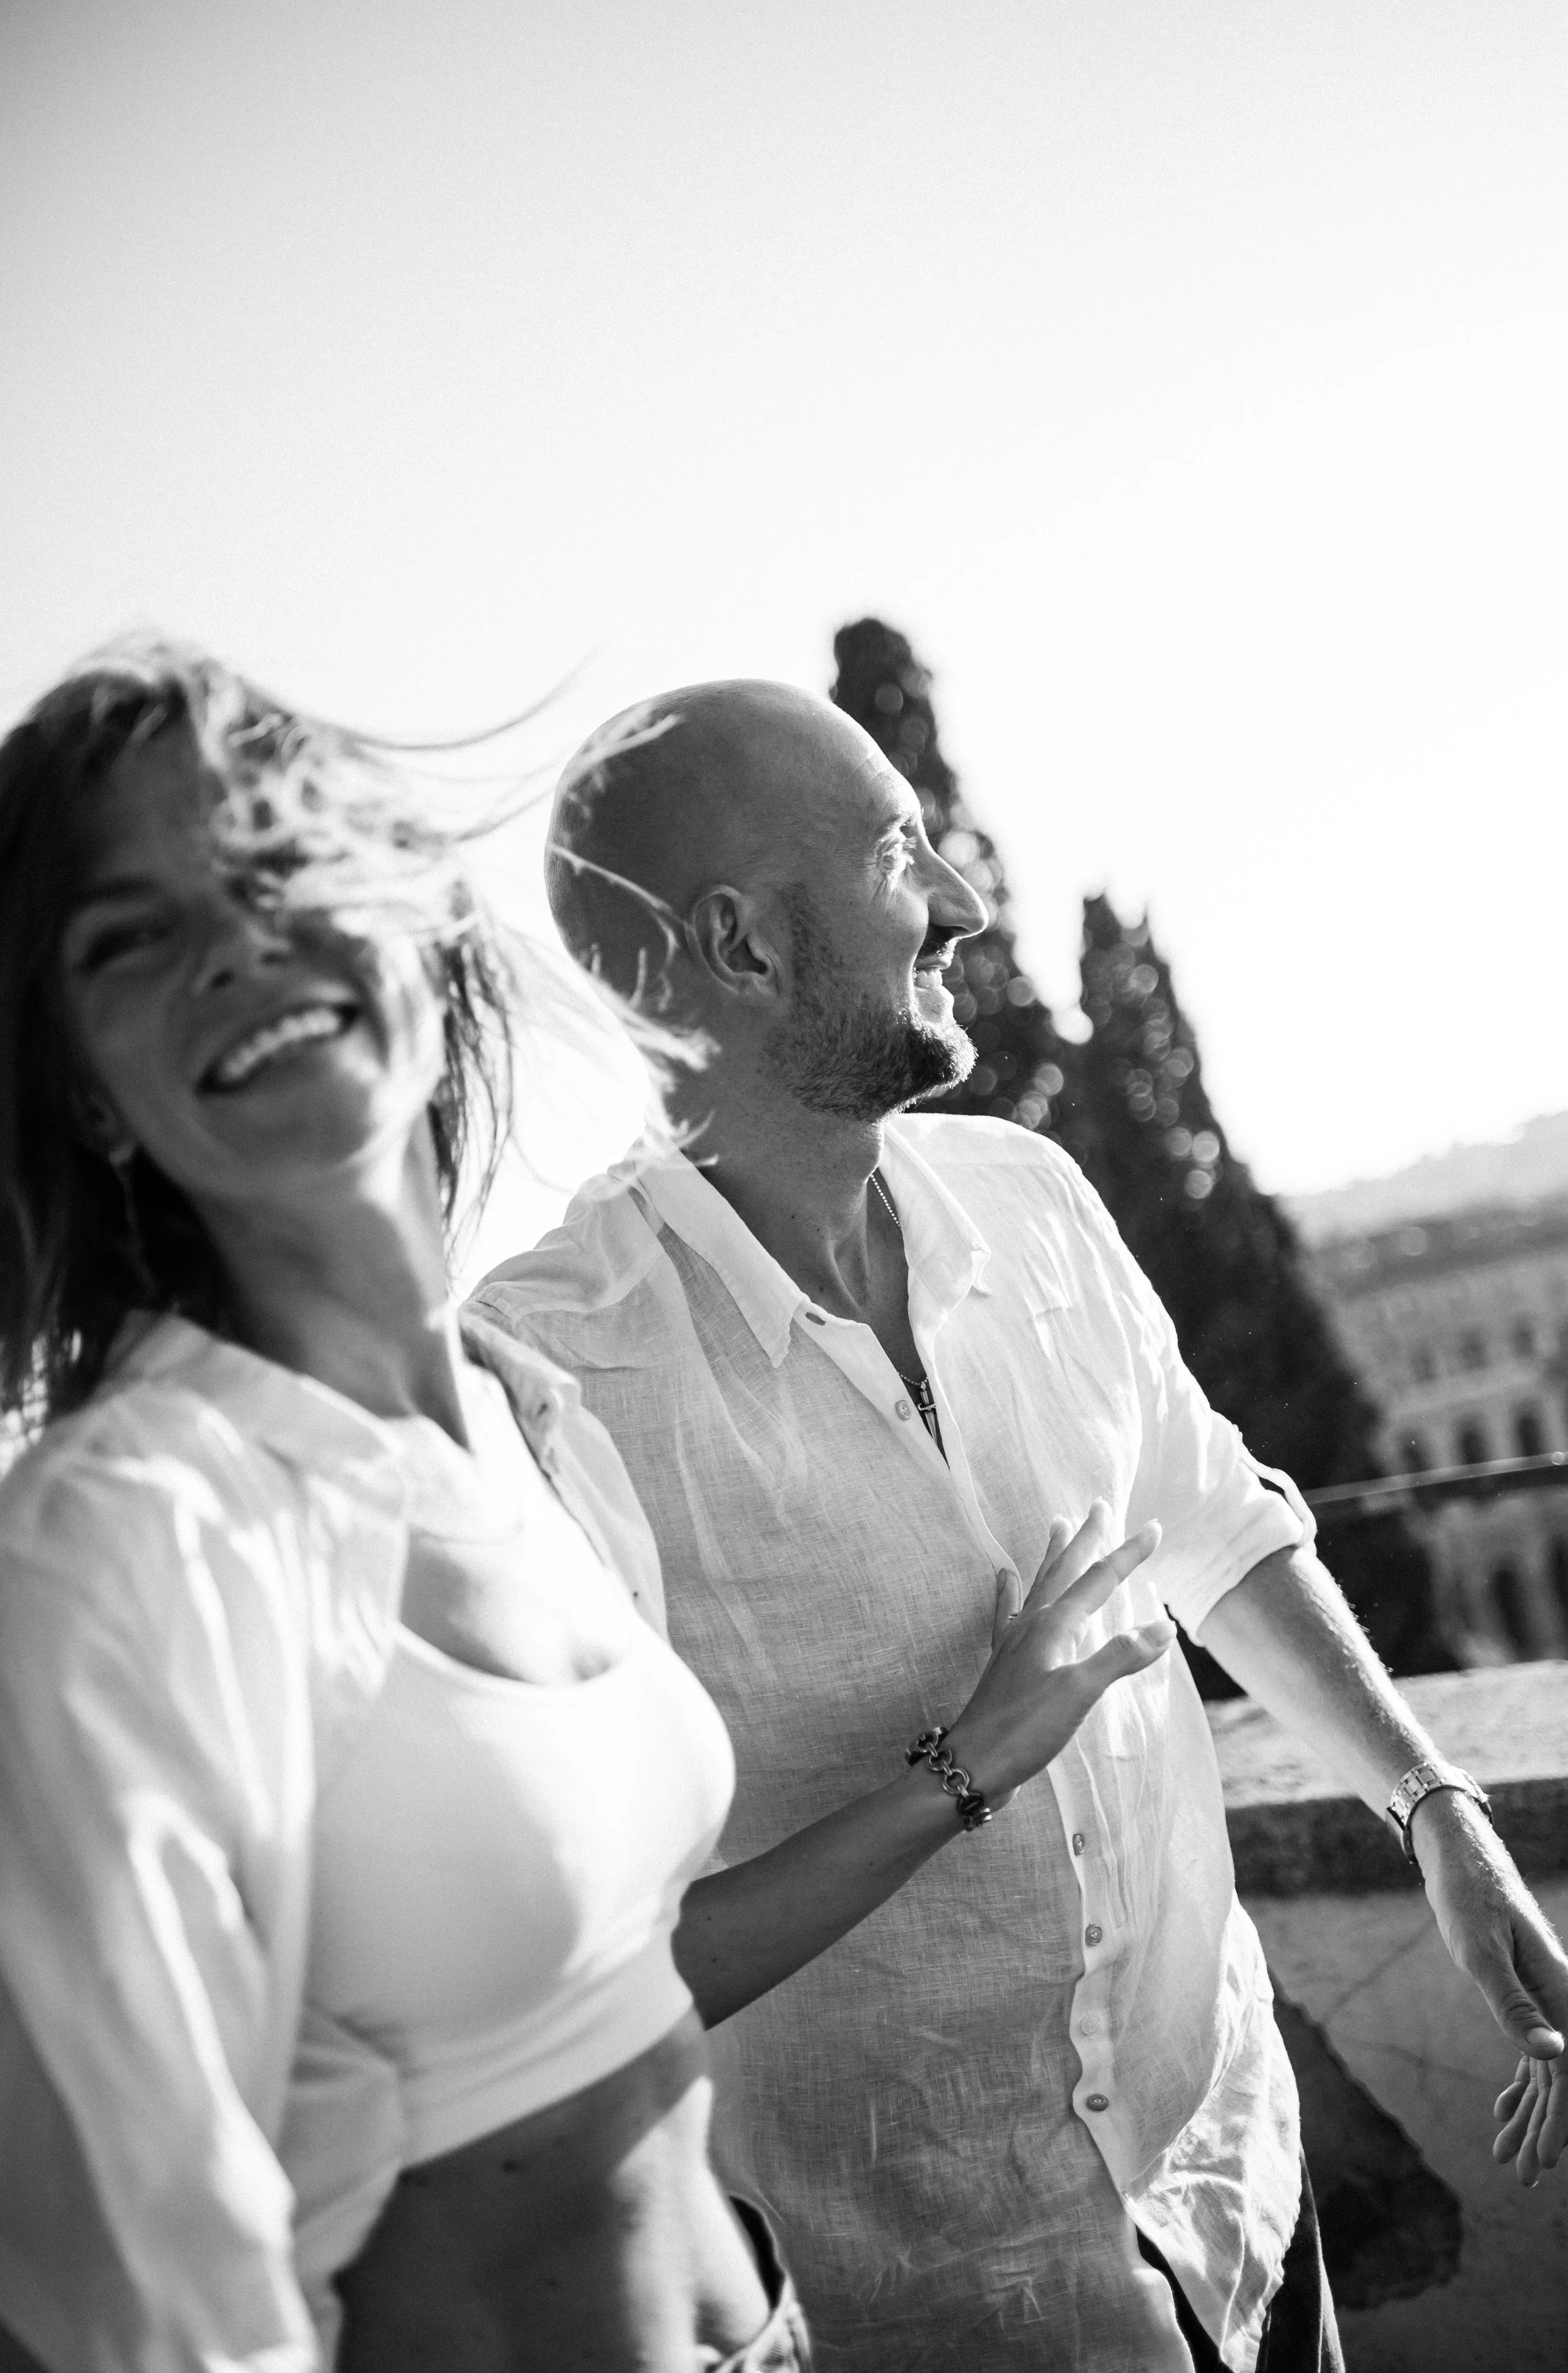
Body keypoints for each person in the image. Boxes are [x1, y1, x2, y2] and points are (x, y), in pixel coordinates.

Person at [0, 644, 1174, 2373]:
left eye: (276, 870)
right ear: (84, 1082)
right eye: (131, 937)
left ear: (403, 917)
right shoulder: (130, 1534)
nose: (237, 944)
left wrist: (984, 1749)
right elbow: (128, 2310)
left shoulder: (518, 1416)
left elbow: (626, 1969)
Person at [471, 678, 1568, 2373]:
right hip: (925, 2302)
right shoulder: (546, 1377)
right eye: (901, 852)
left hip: (1238, 2210)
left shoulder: (1031, 1193)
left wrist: (1431, 1805)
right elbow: (599, 1969)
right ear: (745, 944)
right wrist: (965, 1763)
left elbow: (1210, 1518)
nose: (964, 903)